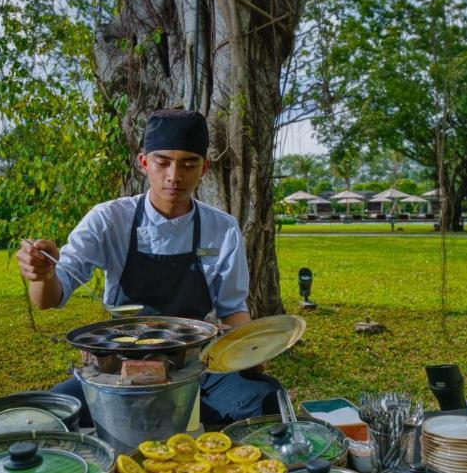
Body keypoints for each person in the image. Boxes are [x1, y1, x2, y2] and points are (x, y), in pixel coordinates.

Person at [17, 108, 285, 425]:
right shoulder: (108, 220)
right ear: (144, 163)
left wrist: (248, 352)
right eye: (163, 162)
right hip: (118, 367)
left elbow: (233, 310)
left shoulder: (222, 229)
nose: (174, 175)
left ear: (205, 167)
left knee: (268, 400)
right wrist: (42, 274)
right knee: (53, 414)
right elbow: (49, 298)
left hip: (193, 366)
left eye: (189, 164)